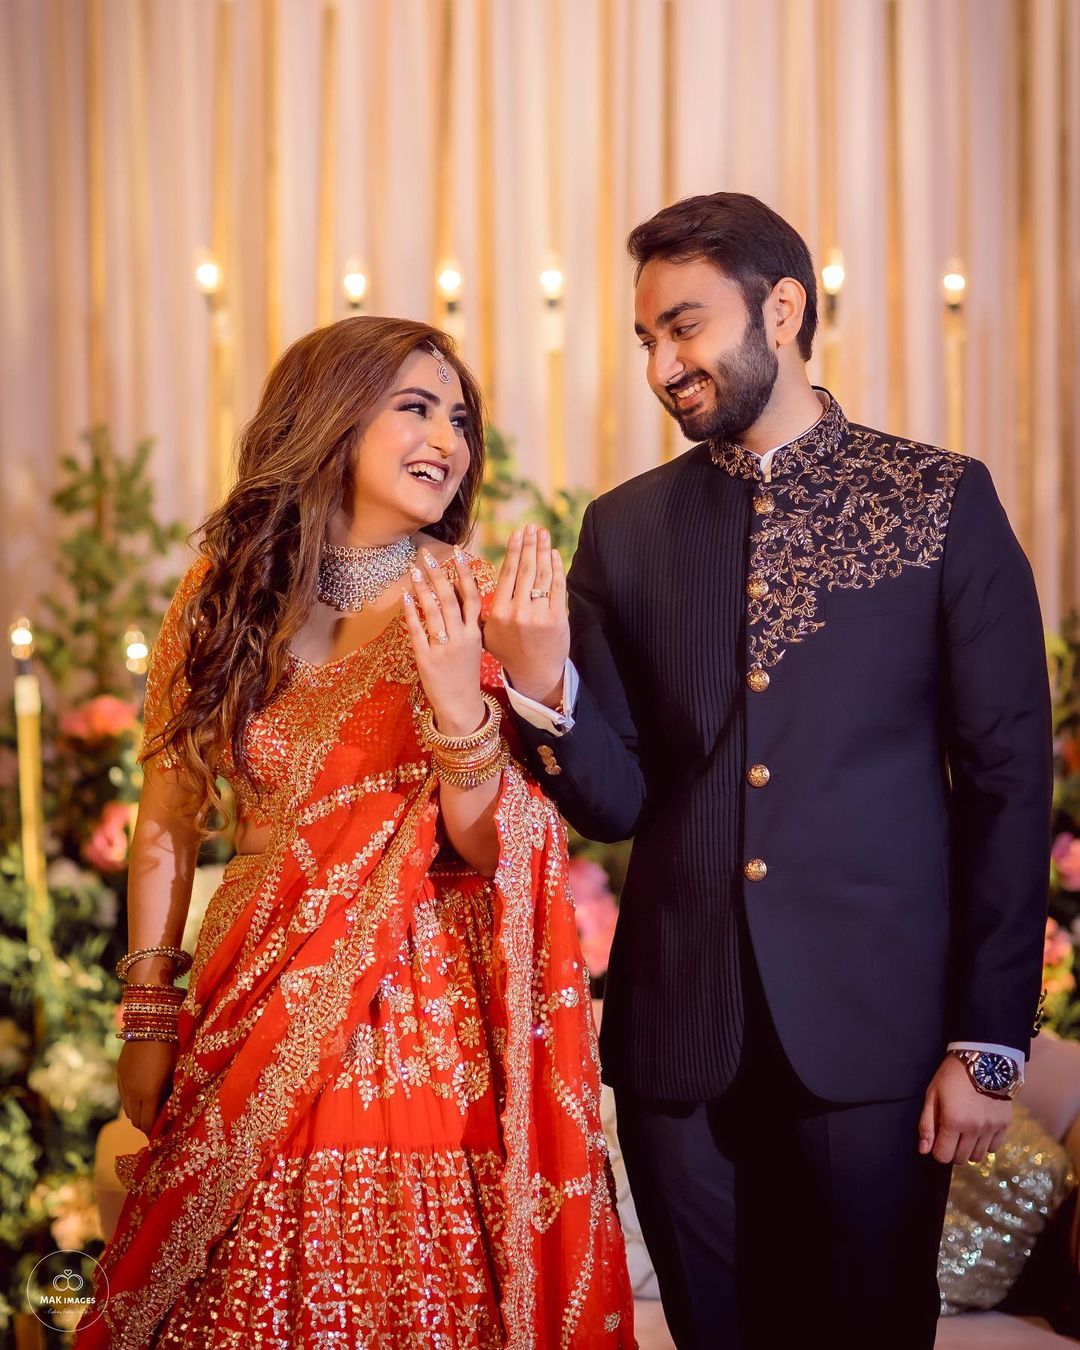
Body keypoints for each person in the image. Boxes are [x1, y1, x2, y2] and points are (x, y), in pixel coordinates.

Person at [485, 193, 1052, 1349]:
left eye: (684, 327)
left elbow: (1007, 781)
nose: (663, 365)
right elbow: (615, 797)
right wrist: (542, 687)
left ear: (782, 309)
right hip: (678, 1050)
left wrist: (986, 1045)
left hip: (879, 1042)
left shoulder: (938, 500)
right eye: (646, 339)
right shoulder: (627, 528)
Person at [75, 316, 632, 1348]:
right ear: (330, 422)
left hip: (411, 1009)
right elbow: (167, 820)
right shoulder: (222, 598)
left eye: (458, 417)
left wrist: (464, 705)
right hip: (246, 990)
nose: (449, 439)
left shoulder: (464, 600)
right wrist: (147, 1014)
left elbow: (488, 846)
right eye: (415, 408)